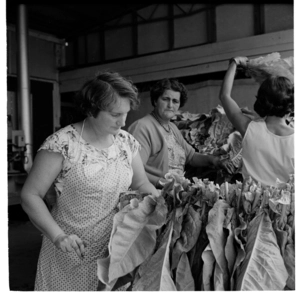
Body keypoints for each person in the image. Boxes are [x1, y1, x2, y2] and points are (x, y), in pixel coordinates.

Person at [20, 71, 159, 291]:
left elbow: (141, 184)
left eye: (126, 113)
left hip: (114, 251)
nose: (123, 122)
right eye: (115, 114)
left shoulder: (125, 143)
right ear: (92, 108)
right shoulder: (63, 143)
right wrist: (58, 237)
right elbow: (30, 195)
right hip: (69, 250)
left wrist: (161, 201)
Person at [128, 78, 222, 188]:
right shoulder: (142, 127)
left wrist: (213, 160)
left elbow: (191, 157)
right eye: (165, 99)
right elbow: (133, 170)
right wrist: (162, 182)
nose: (170, 105)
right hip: (153, 195)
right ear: (155, 101)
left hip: (175, 193)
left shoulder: (172, 127)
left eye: (175, 101)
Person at [219, 56, 294, 187]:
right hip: (286, 206)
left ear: (261, 101)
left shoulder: (249, 128)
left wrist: (234, 63)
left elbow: (224, 96)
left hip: (252, 204)